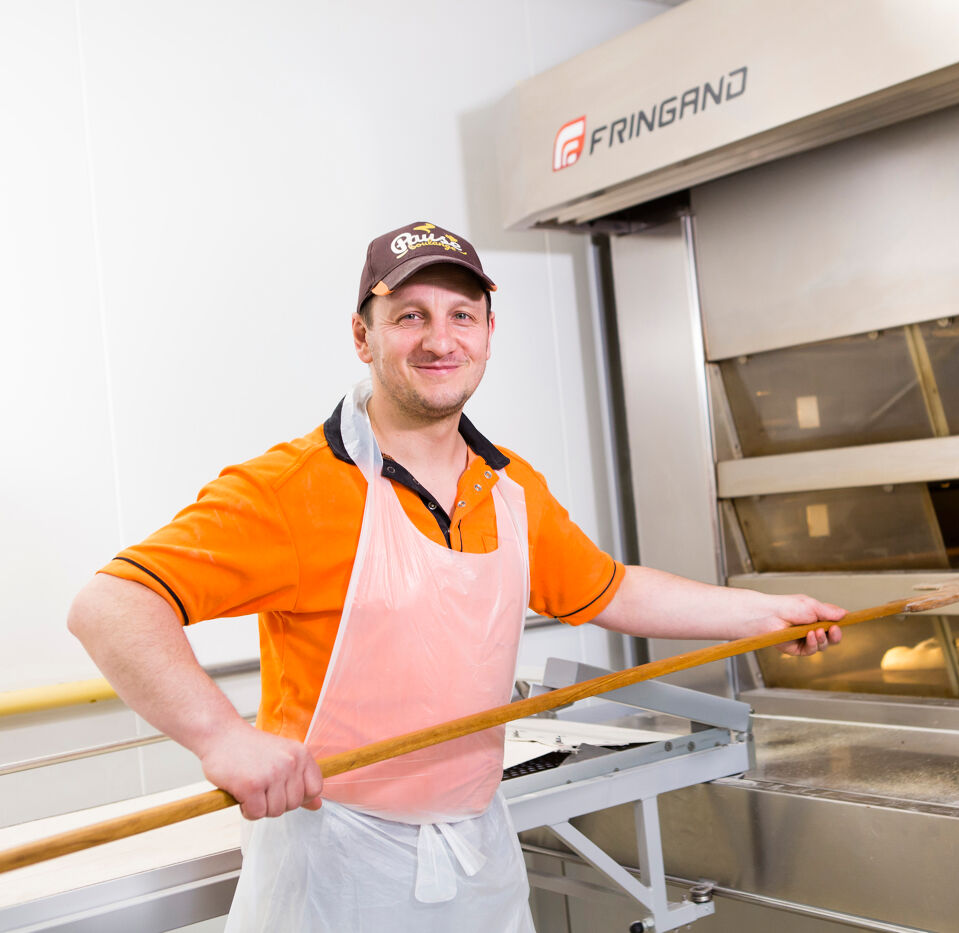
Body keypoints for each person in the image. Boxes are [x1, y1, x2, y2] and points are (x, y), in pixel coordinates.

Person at [67, 221, 845, 932]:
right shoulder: (291, 488)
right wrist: (223, 738)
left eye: (461, 315)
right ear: (363, 336)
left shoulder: (510, 488)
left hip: (478, 848)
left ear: (488, 333)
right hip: (337, 866)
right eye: (410, 315)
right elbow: (111, 604)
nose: (440, 338)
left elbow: (610, 590)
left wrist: (765, 614)